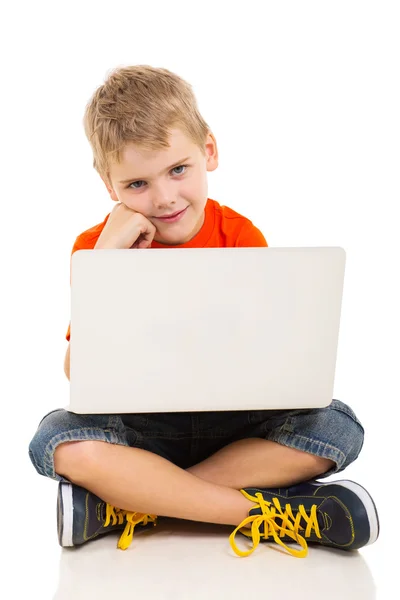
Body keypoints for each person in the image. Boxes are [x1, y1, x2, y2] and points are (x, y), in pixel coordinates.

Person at [28, 65, 379, 558]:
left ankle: (131, 502)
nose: (165, 198)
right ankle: (264, 513)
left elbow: (269, 353)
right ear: (109, 185)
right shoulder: (95, 248)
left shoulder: (240, 235)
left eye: (178, 169)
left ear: (208, 152)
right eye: (136, 184)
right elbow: (77, 375)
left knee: (336, 426)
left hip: (233, 431)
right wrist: (106, 264)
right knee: (58, 439)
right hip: (143, 434)